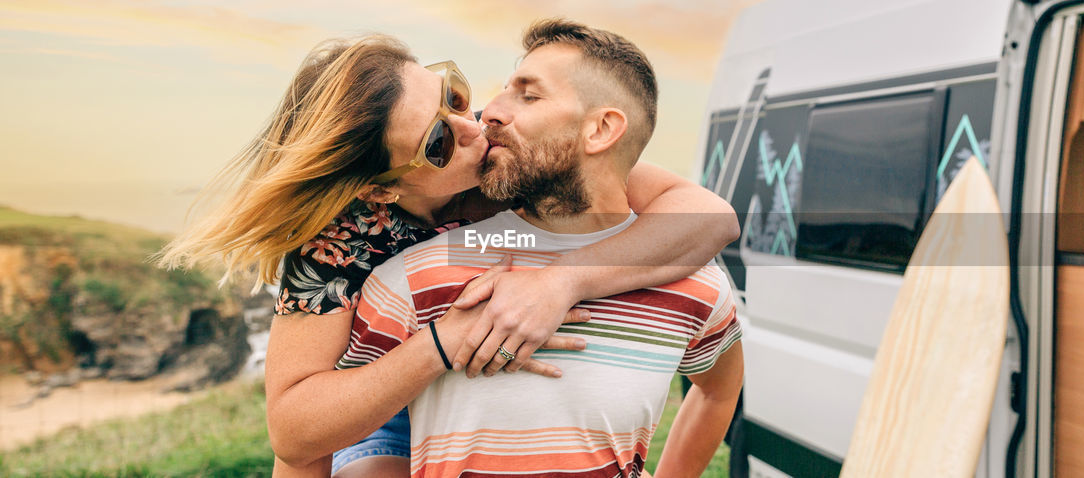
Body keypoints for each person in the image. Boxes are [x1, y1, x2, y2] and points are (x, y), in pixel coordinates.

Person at [157, 33, 739, 477]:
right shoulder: (341, 241)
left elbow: (711, 219)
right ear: (382, 189)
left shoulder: (513, 166)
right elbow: (297, 433)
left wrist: (562, 282)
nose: (475, 124)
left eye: (454, 97)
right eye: (438, 140)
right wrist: (441, 344)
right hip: (379, 390)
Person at [349, 19, 744, 477]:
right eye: (435, 145)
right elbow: (308, 428)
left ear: (600, 130)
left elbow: (719, 388)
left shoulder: (696, 284)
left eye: (529, 95)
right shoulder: (415, 272)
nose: (487, 113)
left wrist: (563, 279)